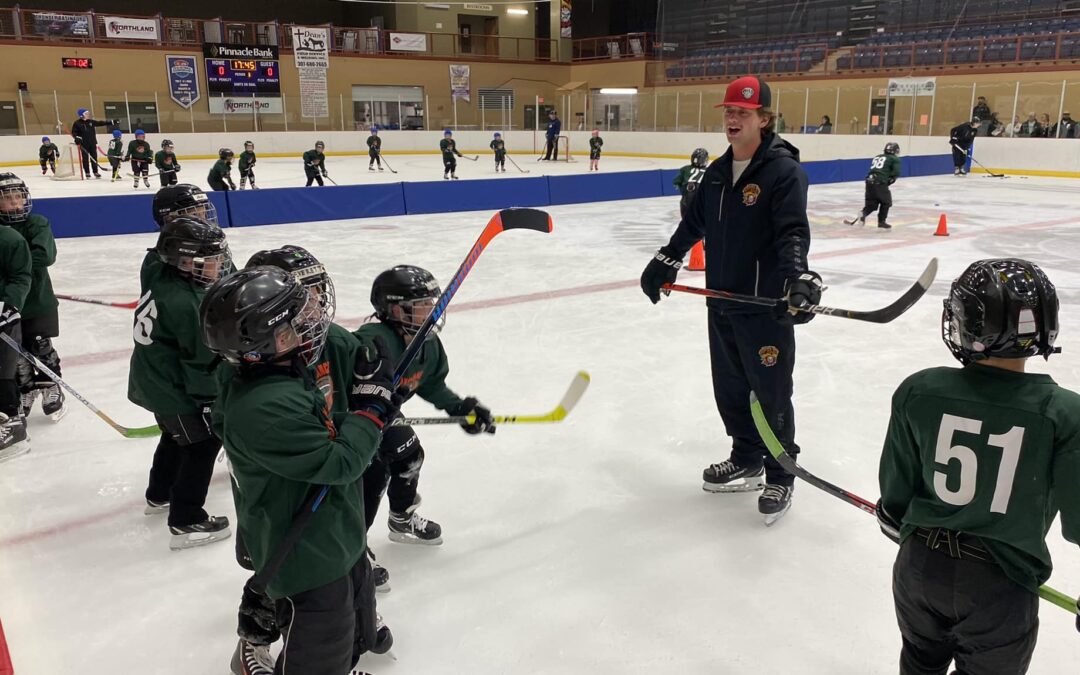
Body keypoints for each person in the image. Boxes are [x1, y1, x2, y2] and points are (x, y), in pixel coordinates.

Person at [877, 258, 1080, 675]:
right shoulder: (1065, 413)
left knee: (919, 662)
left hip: (918, 570)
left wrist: (897, 515)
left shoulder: (920, 389)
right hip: (998, 586)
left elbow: (895, 498)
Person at [639, 75, 821, 524]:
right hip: (720, 301)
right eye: (728, 112)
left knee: (772, 393)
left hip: (764, 307)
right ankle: (747, 456)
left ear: (764, 118)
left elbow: (793, 232)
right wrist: (667, 257)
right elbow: (693, 223)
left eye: (742, 112)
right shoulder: (719, 173)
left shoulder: (784, 172)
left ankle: (781, 472)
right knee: (731, 389)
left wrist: (798, 275)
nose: (732, 119)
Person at [203, 266, 399, 675]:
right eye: (292, 328)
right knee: (321, 643)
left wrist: (366, 408)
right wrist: (370, 410)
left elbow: (319, 430)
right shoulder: (264, 407)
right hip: (307, 555)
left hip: (333, 534)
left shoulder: (278, 377)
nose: (307, 329)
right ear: (258, 345)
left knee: (351, 622)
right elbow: (341, 462)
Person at [357, 265, 495, 554]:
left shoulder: (427, 345)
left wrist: (459, 408)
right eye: (420, 305)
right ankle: (352, 547)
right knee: (372, 472)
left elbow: (431, 384)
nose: (431, 310)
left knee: (409, 455)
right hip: (355, 418)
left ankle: (401, 519)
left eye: (431, 303)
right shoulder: (372, 341)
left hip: (387, 415)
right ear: (395, 311)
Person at [128, 214, 233, 550]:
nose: (220, 264)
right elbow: (202, 363)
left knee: (176, 438)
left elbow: (153, 253)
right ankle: (186, 519)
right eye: (210, 259)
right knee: (201, 444)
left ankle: (159, 494)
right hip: (171, 388)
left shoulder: (156, 270)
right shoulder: (190, 304)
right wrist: (208, 403)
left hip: (152, 378)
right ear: (184, 262)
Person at [0, 175, 65, 422]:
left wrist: (16, 264)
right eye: (7, 199)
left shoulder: (36, 223)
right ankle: (26, 389)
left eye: (18, 197)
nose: (15, 203)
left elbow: (45, 256)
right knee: (15, 353)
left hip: (38, 301)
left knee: (40, 345)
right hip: (7, 303)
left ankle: (51, 385)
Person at [0, 174, 34, 461]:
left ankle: (12, 424)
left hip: (2, 318)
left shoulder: (9, 238)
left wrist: (8, 306)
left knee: (2, 370)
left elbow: (21, 276)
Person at [849, 142, 900, 230]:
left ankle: (863, 214)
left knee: (871, 205)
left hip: (869, 181)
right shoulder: (894, 159)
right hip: (879, 182)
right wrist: (890, 180)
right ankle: (881, 222)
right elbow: (896, 172)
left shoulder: (878, 156)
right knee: (886, 202)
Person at [70, 108, 114, 179]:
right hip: (83, 144)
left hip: (92, 143)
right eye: (86, 114)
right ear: (82, 115)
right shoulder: (77, 123)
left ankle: (95, 172)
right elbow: (74, 132)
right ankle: (87, 172)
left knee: (94, 157)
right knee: (85, 159)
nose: (88, 115)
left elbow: (100, 123)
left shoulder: (91, 122)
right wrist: (77, 137)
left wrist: (111, 122)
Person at [672, 148, 709, 218]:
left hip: (686, 200)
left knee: (686, 223)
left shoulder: (685, 169)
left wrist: (683, 190)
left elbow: (676, 182)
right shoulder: (709, 171)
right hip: (703, 202)